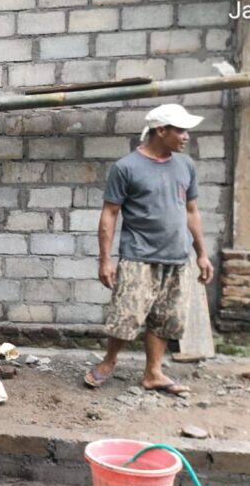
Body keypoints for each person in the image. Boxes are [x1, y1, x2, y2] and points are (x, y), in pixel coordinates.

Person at [84, 103, 214, 396]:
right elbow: (109, 214)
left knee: (166, 318)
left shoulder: (185, 165)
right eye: (180, 130)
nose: (185, 136)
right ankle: (109, 361)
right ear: (161, 131)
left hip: (178, 258)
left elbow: (192, 211)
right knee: (125, 317)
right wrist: (105, 260)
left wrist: (202, 254)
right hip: (138, 257)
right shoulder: (126, 167)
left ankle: (153, 373)